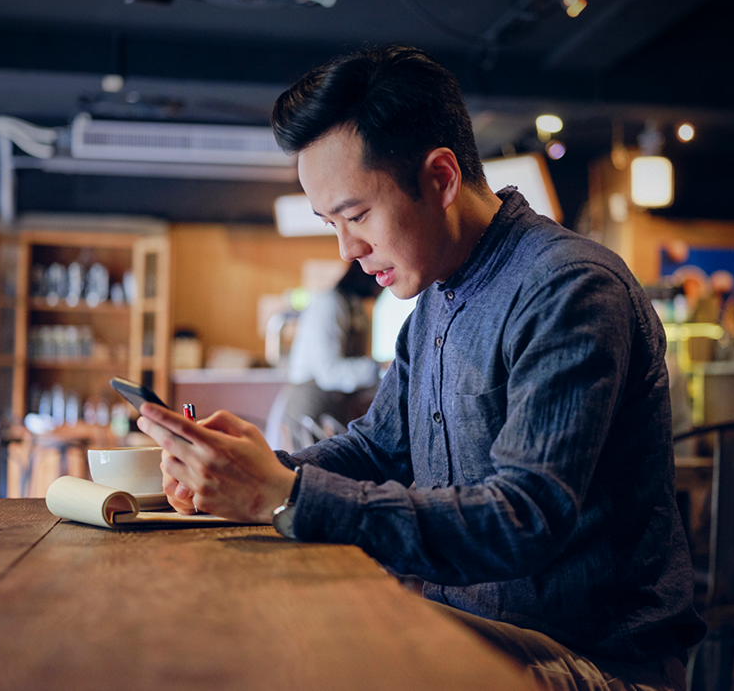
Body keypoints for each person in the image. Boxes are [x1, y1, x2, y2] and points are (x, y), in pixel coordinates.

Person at [138, 44, 704, 691]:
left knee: (312, 654)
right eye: (332, 223)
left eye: (356, 215)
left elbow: (525, 516)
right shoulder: (435, 296)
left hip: (597, 656)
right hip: (475, 623)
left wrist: (286, 496)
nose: (348, 251)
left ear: (440, 179)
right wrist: (255, 469)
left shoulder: (569, 288)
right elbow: (381, 444)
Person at [282, 260, 381, 432]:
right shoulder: (329, 303)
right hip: (311, 406)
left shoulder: (356, 308)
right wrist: (379, 367)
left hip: (336, 407)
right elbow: (328, 371)